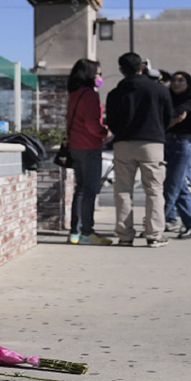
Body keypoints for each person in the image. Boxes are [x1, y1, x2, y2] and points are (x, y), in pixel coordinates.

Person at [104, 52, 174, 248]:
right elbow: (168, 117)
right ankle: (154, 235)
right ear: (142, 67)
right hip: (152, 143)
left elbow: (112, 122)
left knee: (123, 191)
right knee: (154, 190)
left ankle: (125, 236)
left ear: (121, 70)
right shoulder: (159, 90)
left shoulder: (115, 93)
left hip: (123, 143)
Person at [64, 59, 112, 246]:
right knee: (90, 190)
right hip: (89, 146)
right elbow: (92, 124)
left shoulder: (74, 94)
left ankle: (75, 232)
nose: (100, 77)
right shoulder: (90, 95)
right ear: (90, 75)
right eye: (98, 73)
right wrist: (104, 132)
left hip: (75, 146)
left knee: (81, 189)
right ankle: (86, 232)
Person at [163, 72, 191, 238]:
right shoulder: (167, 98)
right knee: (181, 185)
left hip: (183, 144)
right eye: (174, 81)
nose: (176, 84)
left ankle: (157, 222)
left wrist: (170, 121)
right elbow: (166, 116)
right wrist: (171, 121)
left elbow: (176, 113)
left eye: (181, 80)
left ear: (188, 83)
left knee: (172, 185)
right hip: (167, 142)